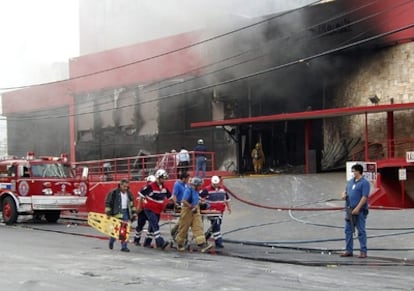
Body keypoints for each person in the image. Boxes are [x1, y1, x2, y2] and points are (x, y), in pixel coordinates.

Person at [340, 163, 370, 258]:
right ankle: (349, 250)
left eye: (354, 171)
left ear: (359, 171)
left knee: (361, 231)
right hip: (349, 210)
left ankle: (363, 251)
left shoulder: (365, 183)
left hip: (359, 211)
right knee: (348, 230)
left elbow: (364, 197)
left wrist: (358, 208)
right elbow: (345, 191)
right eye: (352, 171)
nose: (353, 173)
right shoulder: (350, 182)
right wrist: (344, 195)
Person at [175, 177, 213, 252]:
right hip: (187, 211)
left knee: (198, 226)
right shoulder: (188, 190)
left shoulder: (196, 191)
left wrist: (200, 202)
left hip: (195, 210)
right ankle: (179, 244)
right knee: (184, 228)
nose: (200, 187)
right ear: (195, 185)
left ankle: (202, 244)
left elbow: (195, 199)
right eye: (199, 185)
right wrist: (191, 207)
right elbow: (184, 200)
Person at [139, 169, 172, 249]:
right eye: (163, 178)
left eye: (165, 178)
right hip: (149, 209)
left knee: (151, 227)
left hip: (157, 210)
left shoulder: (164, 188)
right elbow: (141, 194)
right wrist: (140, 206)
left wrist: (176, 203)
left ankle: (147, 242)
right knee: (155, 224)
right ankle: (160, 242)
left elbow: (170, 197)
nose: (164, 180)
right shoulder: (150, 186)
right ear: (158, 177)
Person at [105, 178, 136, 252]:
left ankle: (124, 246)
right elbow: (108, 203)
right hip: (117, 213)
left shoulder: (129, 193)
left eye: (127, 187)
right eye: (124, 186)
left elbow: (132, 204)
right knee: (116, 230)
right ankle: (112, 240)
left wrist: (134, 213)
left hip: (126, 213)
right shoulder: (114, 192)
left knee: (124, 231)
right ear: (120, 185)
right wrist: (108, 213)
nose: (126, 188)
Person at [200, 175, 231, 248]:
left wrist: (229, 208)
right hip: (211, 211)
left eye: (216, 184)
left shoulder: (223, 189)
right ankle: (218, 242)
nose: (215, 185)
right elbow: (200, 197)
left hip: (220, 211)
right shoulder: (207, 190)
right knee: (216, 226)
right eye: (214, 184)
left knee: (217, 224)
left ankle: (206, 237)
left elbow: (227, 199)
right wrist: (204, 203)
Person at [133, 175, 155, 246]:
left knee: (151, 226)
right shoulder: (145, 189)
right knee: (140, 225)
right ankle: (137, 240)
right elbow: (140, 199)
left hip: (150, 210)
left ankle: (147, 242)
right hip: (143, 210)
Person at [170, 172, 190, 239]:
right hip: (180, 204)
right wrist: (176, 204)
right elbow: (174, 195)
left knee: (184, 220)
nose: (188, 180)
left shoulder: (186, 185)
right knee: (184, 220)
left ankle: (175, 230)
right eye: (187, 179)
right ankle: (181, 235)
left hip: (186, 204)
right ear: (183, 178)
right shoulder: (177, 184)